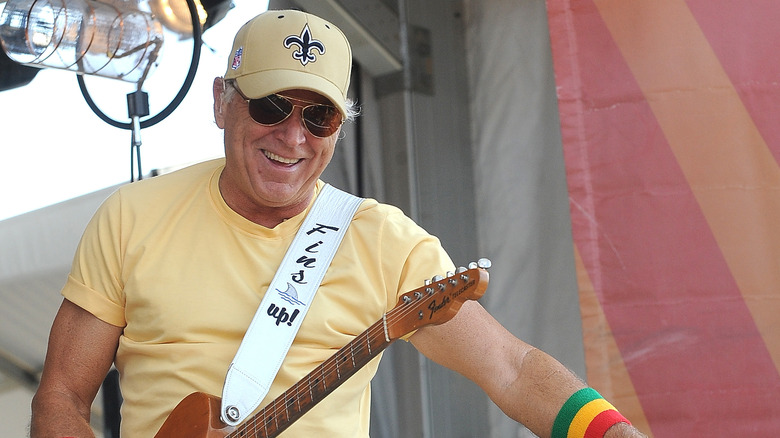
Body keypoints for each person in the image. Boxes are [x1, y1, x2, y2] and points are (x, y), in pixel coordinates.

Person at [30, 9, 645, 438]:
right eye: (271, 106)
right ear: (221, 99)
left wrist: (613, 433)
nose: (292, 137)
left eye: (319, 117)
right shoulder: (132, 217)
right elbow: (61, 394)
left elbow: (510, 369)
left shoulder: (383, 241)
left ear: (340, 127)